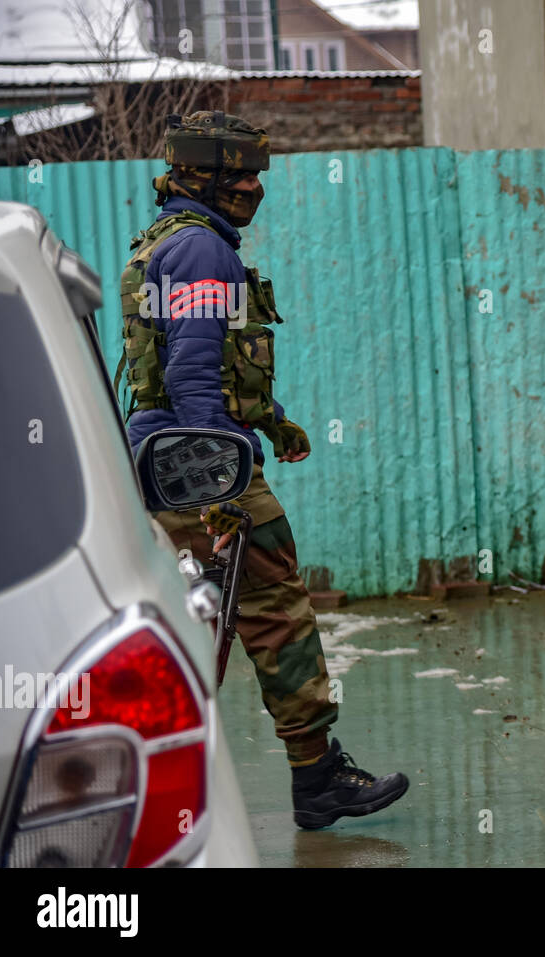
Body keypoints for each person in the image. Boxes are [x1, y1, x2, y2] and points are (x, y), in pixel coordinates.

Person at [118, 110, 408, 828]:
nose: (253, 185)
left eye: (257, 173)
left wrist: (270, 420)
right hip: (202, 468)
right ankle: (291, 782)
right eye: (241, 173)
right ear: (204, 174)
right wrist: (220, 486)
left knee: (211, 619)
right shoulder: (200, 252)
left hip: (184, 460)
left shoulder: (174, 241)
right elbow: (189, 373)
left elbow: (207, 359)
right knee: (264, 616)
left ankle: (284, 777)